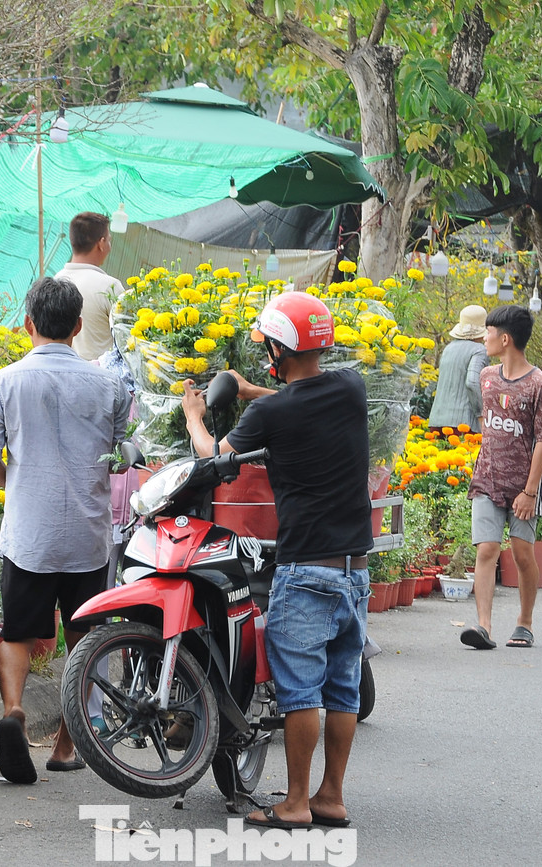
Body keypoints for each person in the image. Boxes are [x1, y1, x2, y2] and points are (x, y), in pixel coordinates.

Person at [180, 292, 370, 831]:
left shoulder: (270, 413)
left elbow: (213, 461)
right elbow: (302, 399)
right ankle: (331, 796)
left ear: (279, 351)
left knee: (301, 690)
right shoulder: (350, 388)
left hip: (306, 570)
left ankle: (294, 802)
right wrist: (248, 390)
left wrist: (197, 417)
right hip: (355, 570)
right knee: (342, 688)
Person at [0, 277, 132, 784]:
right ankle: (66, 744)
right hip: (88, 537)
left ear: (28, 324)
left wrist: (15, 482)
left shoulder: (5, 381)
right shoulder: (109, 386)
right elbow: (120, 457)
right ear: (79, 326)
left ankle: (15, 710)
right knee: (83, 639)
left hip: (29, 536)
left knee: (17, 633)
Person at [461, 304, 542, 651]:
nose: (484, 337)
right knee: (486, 548)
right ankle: (483, 626)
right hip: (487, 477)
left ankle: (525, 622)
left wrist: (530, 491)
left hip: (525, 484)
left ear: (504, 338)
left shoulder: (540, 384)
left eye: (488, 332)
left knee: (521, 553)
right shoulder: (486, 376)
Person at [55, 212, 125, 363]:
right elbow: (127, 342)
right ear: (101, 243)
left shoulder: (55, 282)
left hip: (61, 374)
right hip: (99, 380)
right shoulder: (110, 287)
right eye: (108, 240)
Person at [426, 305, 488, 432]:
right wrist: (481, 414)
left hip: (437, 421)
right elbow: (472, 383)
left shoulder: (448, 348)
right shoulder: (479, 350)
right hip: (464, 425)